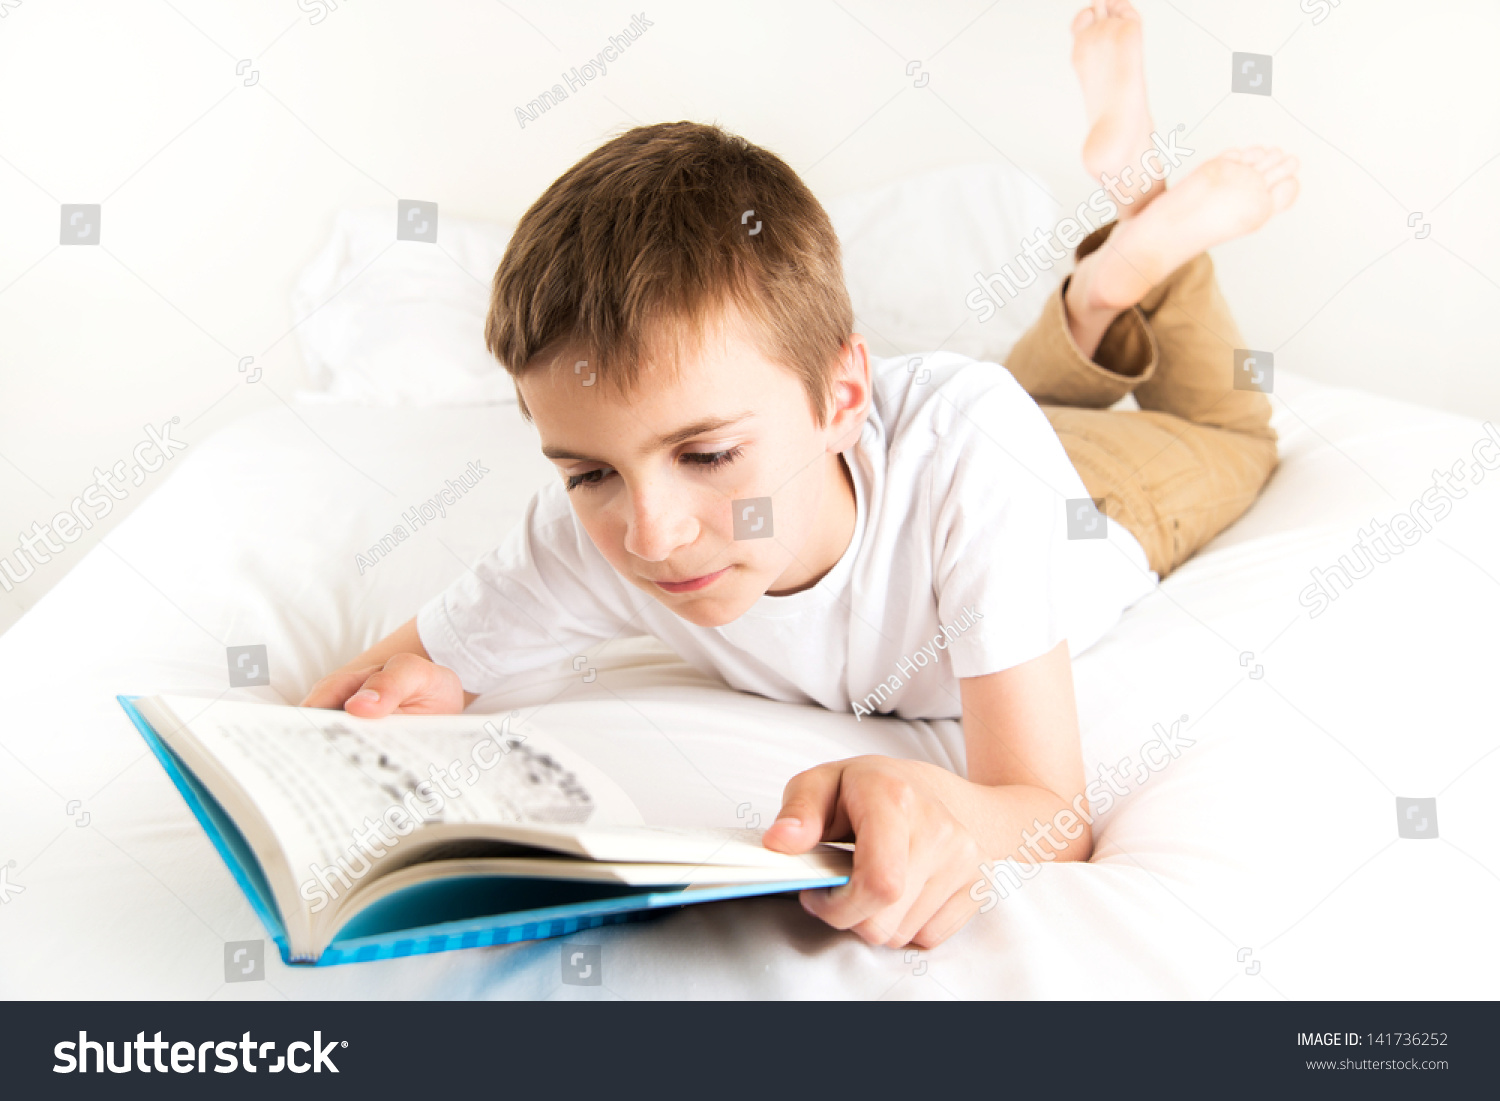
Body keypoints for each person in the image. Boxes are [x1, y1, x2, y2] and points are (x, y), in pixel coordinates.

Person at [302, 0, 1298, 949]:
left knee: (1225, 431)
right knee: (1019, 395)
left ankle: (1139, 226)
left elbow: (1049, 813)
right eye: (589, 470)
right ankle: (1096, 290)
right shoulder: (585, 535)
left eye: (706, 455)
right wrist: (391, 705)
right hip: (977, 428)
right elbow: (387, 676)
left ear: (839, 398)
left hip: (1091, 501)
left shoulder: (974, 453)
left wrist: (939, 810)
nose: (650, 535)